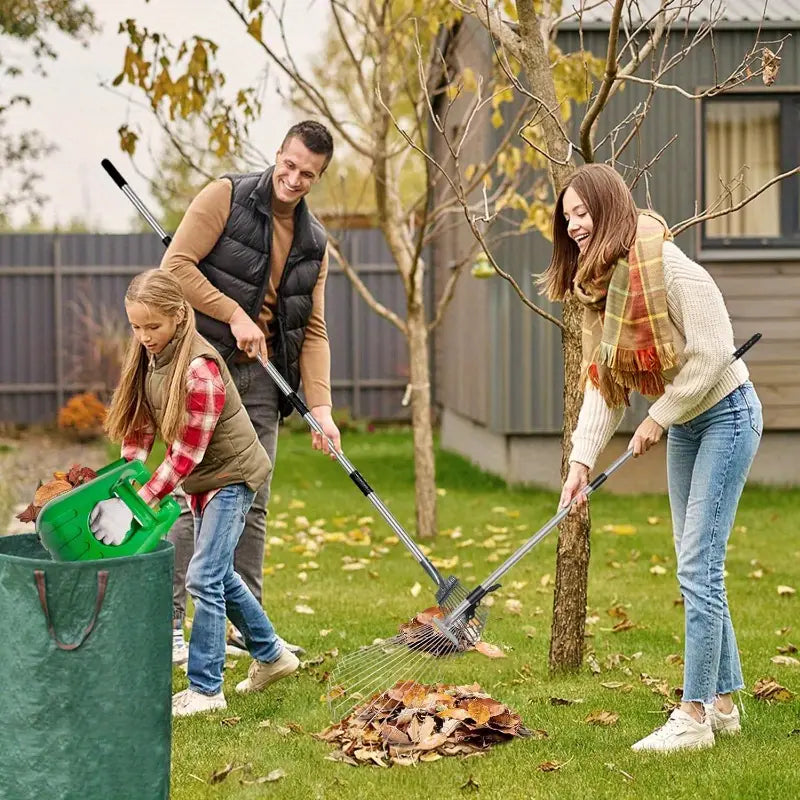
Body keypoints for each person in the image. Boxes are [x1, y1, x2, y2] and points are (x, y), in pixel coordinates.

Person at [543, 164, 761, 753]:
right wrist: (581, 464)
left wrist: (659, 414)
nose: (576, 226)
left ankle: (691, 718)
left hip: (726, 413)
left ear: (609, 210)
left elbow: (714, 352)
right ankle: (724, 704)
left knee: (698, 565)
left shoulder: (668, 268)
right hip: (688, 423)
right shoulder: (603, 292)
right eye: (567, 218)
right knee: (696, 563)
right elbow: (603, 386)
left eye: (584, 213)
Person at [159, 120, 341, 664]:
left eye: (307, 174)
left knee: (250, 502)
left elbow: (313, 330)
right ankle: (169, 623)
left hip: (262, 377)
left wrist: (323, 410)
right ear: (278, 154)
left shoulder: (314, 242)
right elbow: (175, 268)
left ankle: (246, 626)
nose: (293, 179)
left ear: (320, 175)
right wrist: (234, 312)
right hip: (203, 366)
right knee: (190, 496)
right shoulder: (226, 195)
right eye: (288, 165)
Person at [92, 269, 300, 717]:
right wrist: (124, 485)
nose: (144, 336)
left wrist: (142, 502)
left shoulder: (199, 369)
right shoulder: (153, 359)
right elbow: (141, 424)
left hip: (233, 475)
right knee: (219, 574)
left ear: (179, 316)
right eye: (136, 327)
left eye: (153, 326)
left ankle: (206, 690)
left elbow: (186, 453)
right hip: (207, 480)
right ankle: (273, 656)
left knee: (203, 575)